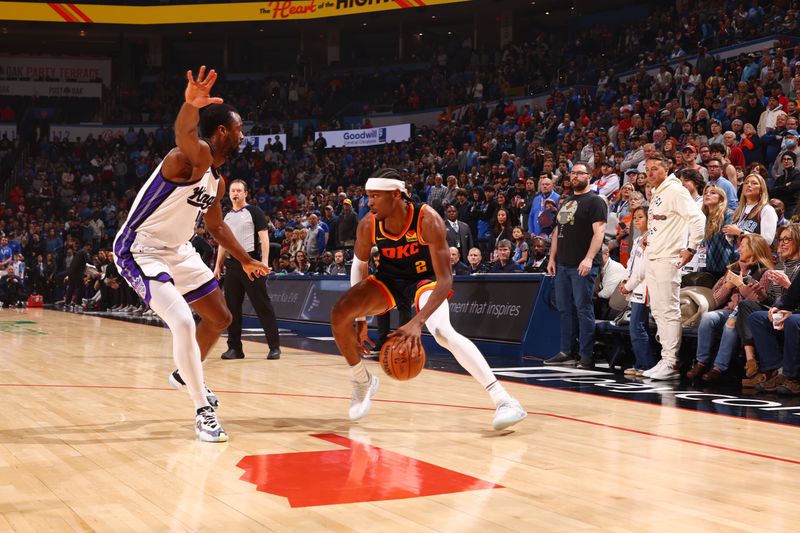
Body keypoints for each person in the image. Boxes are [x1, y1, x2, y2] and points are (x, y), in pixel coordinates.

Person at [113, 67, 269, 442]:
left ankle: (185, 372)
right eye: (239, 129)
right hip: (141, 248)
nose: (243, 135)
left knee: (220, 317)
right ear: (221, 132)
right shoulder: (191, 157)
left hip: (178, 251)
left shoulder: (216, 180)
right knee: (183, 322)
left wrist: (245, 259)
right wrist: (189, 105)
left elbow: (215, 227)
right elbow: (184, 132)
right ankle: (202, 410)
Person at [330, 168, 526, 430]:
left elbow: (446, 280)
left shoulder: (427, 219)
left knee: (443, 332)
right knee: (340, 313)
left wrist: (417, 322)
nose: (369, 202)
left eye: (375, 196)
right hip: (390, 279)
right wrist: (361, 318)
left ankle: (504, 400)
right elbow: (359, 266)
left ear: (396, 195)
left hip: (426, 278)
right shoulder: (368, 224)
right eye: (368, 196)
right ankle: (361, 381)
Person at [641, 154, 705, 380]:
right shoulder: (659, 192)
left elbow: (698, 219)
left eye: (655, 168)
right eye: (648, 169)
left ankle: (671, 361)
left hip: (669, 259)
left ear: (666, 170)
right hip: (654, 257)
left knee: (668, 310)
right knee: (658, 311)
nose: (650, 173)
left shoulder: (675, 190)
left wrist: (691, 248)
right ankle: (665, 358)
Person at [544, 161, 608, 369]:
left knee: (583, 308)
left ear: (589, 176)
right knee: (564, 309)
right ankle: (566, 351)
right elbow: (556, 232)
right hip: (562, 264)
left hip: (582, 264)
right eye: (572, 174)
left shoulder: (596, 201)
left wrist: (589, 258)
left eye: (579, 173)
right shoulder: (566, 201)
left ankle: (586, 356)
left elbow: (599, 232)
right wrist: (552, 258)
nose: (574, 177)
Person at [687, 234, 774, 382]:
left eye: (743, 246)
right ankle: (701, 362)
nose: (739, 249)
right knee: (708, 317)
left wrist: (741, 285)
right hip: (728, 311)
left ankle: (718, 368)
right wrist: (728, 286)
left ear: (754, 250)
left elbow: (760, 303)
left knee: (731, 325)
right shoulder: (733, 269)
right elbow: (714, 299)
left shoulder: (765, 273)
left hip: (746, 317)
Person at [213, 179, 281, 361]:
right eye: (232, 190)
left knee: (262, 306)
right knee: (232, 309)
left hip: (252, 263)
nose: (235, 193)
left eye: (238, 190)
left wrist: (264, 262)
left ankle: (274, 347)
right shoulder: (226, 216)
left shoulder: (254, 212)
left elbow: (264, 239)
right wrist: (218, 264)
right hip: (232, 266)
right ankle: (235, 348)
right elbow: (223, 243)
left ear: (245, 194)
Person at [619, 206, 655, 376]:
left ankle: (645, 364)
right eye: (635, 217)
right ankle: (641, 362)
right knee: (640, 327)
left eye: (641, 217)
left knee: (637, 327)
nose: (637, 220)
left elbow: (642, 270)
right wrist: (625, 280)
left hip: (645, 287)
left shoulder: (651, 239)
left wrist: (629, 286)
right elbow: (631, 264)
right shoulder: (639, 238)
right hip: (635, 286)